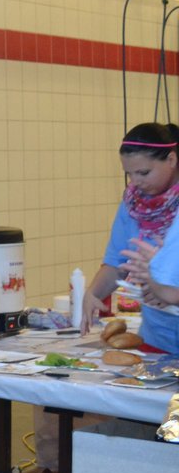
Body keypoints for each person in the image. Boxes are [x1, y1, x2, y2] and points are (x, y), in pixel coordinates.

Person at [81, 123, 179, 351]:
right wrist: (93, 293)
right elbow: (117, 261)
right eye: (129, 174)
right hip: (156, 335)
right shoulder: (134, 204)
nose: (135, 182)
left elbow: (169, 286)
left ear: (172, 160)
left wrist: (161, 287)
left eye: (143, 173)